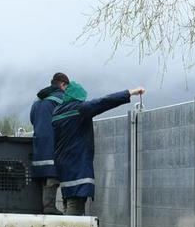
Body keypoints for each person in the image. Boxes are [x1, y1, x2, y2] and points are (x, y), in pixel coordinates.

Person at [46, 73, 143, 215]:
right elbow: (104, 101)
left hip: (64, 170)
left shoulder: (57, 113)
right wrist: (131, 92)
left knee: (68, 202)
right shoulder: (80, 109)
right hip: (78, 171)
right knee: (74, 214)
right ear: (78, 97)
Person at [29, 74, 66, 214]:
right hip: (54, 142)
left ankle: (44, 206)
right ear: (62, 84)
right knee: (53, 174)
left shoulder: (37, 101)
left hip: (39, 143)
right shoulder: (60, 99)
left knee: (44, 175)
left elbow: (32, 119)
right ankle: (49, 207)